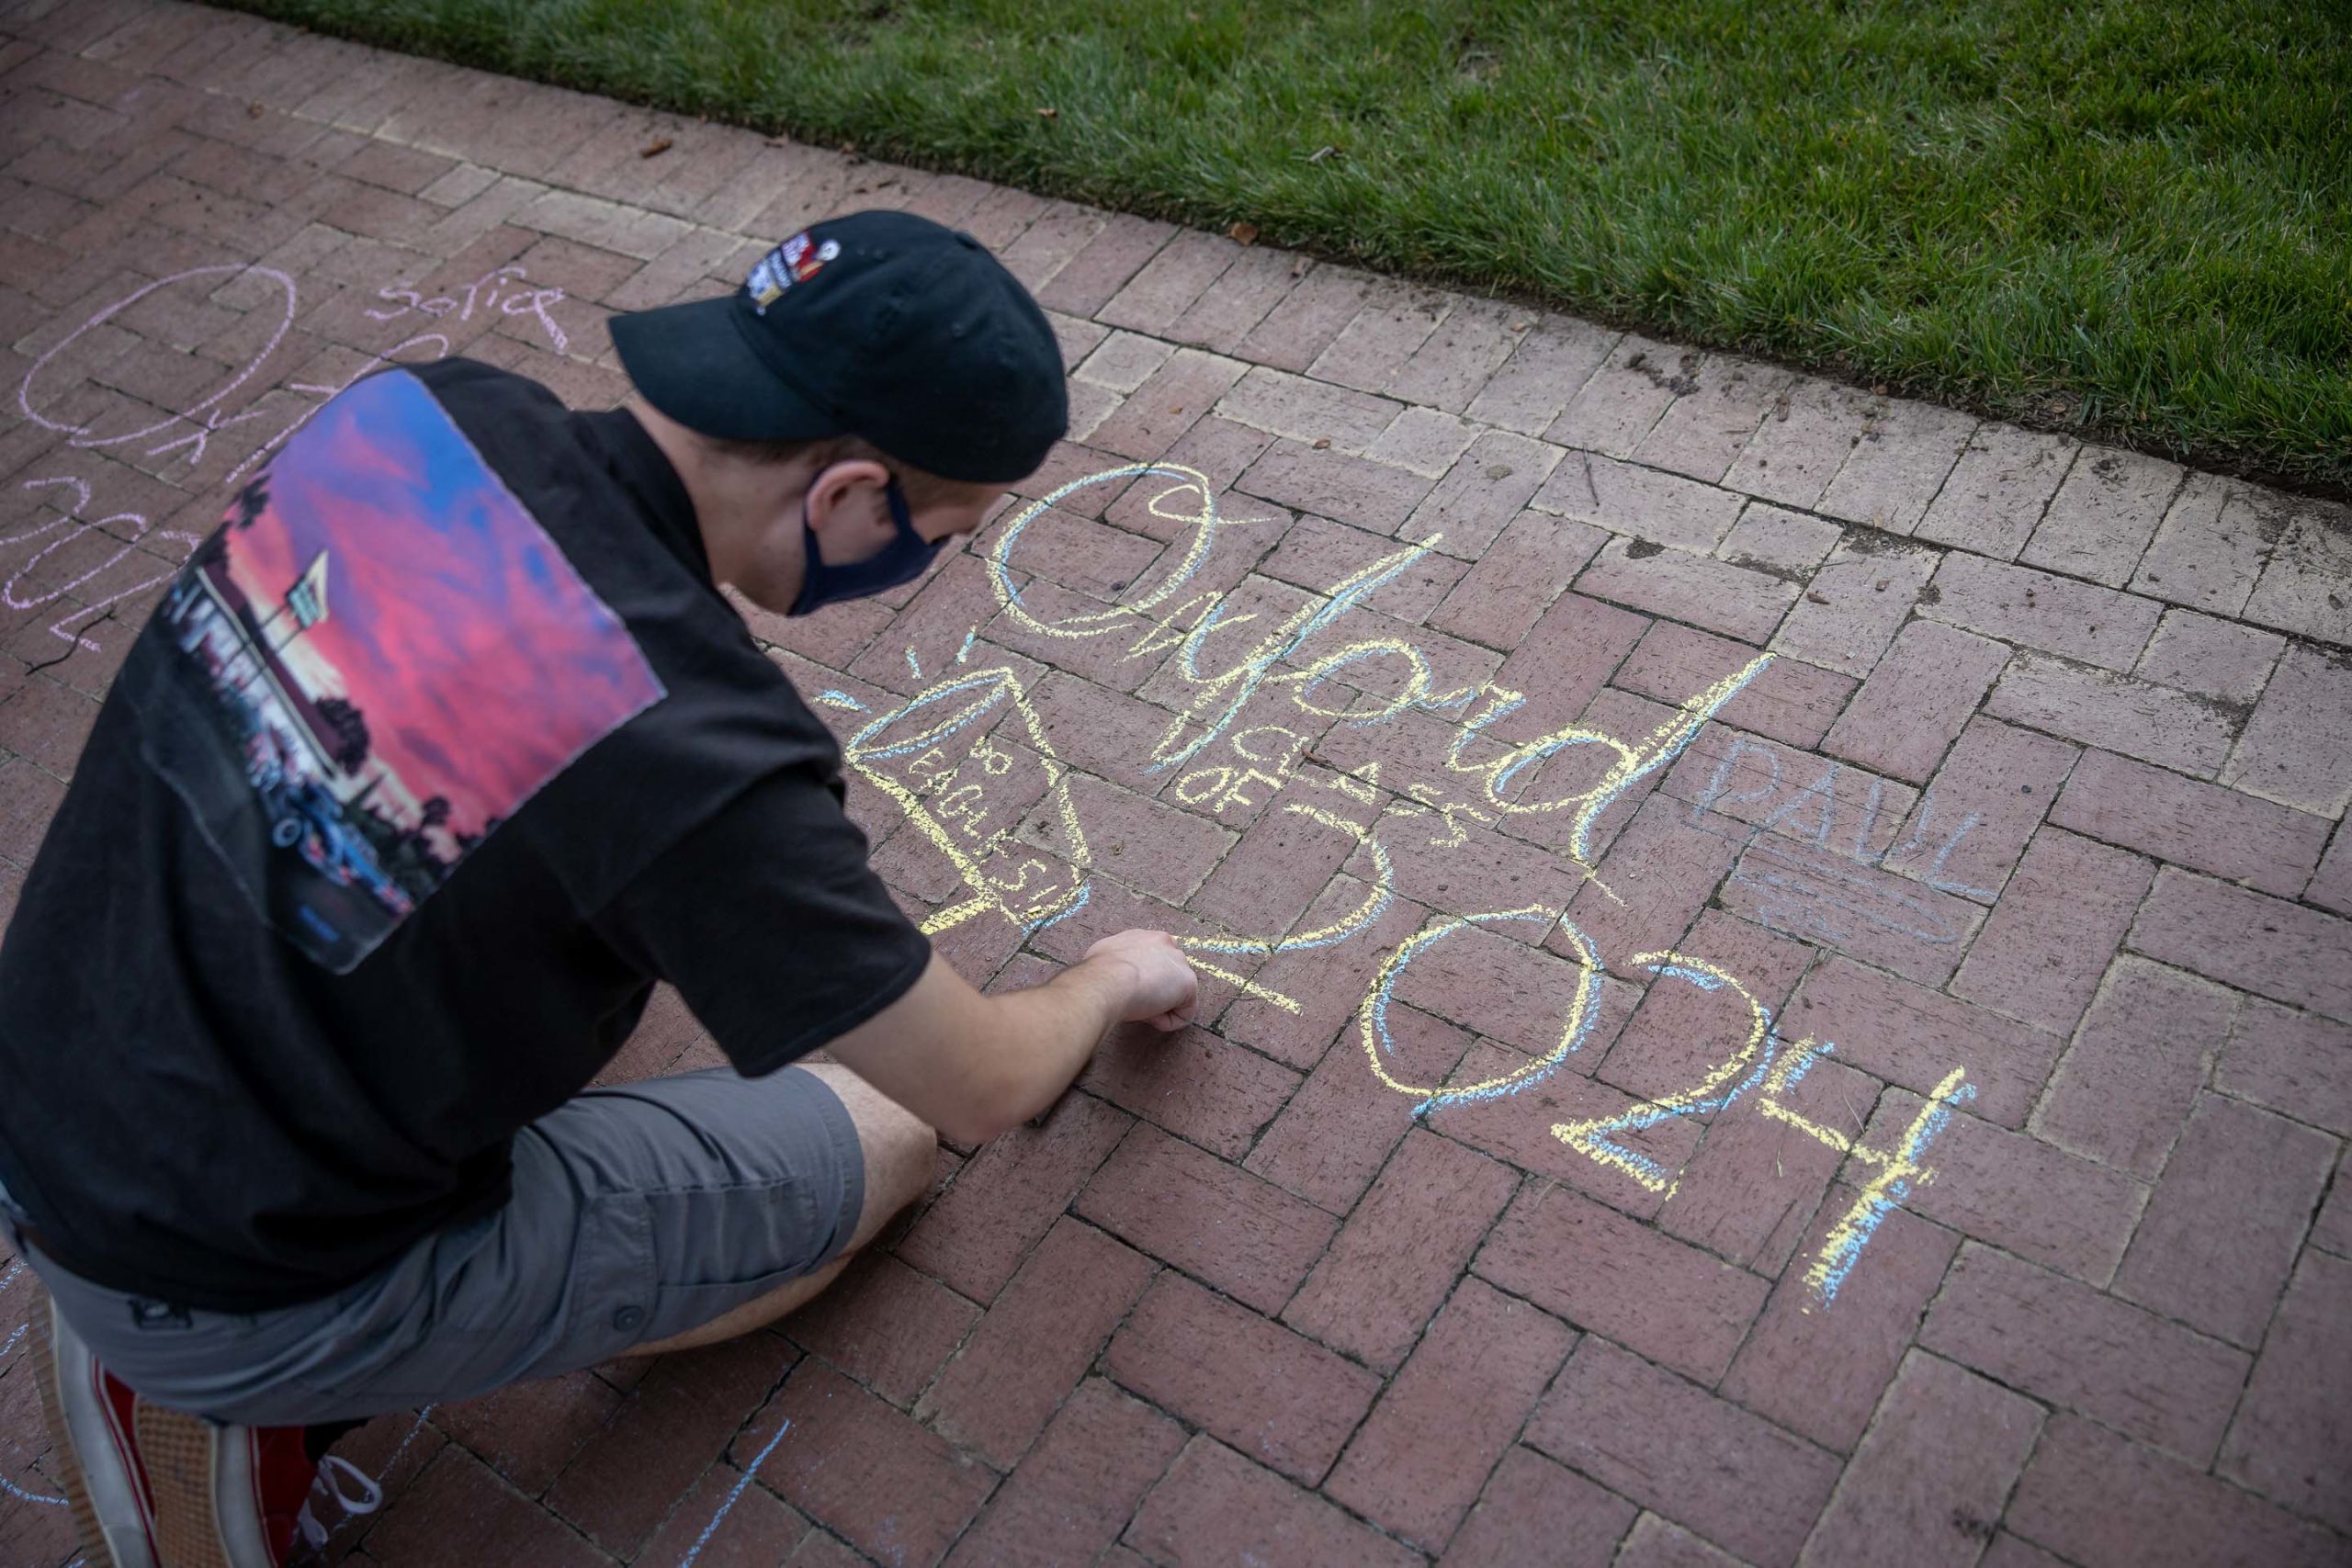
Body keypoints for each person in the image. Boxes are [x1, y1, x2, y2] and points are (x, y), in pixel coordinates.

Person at [0, 210, 1198, 1568]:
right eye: (949, 527)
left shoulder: (418, 413)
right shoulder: (687, 742)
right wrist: (1106, 978)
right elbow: (978, 1085)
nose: (935, 557)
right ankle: (243, 1386)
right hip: (234, 1265)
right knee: (882, 1147)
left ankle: (171, 1305)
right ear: (853, 497)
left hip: (53, 1071)